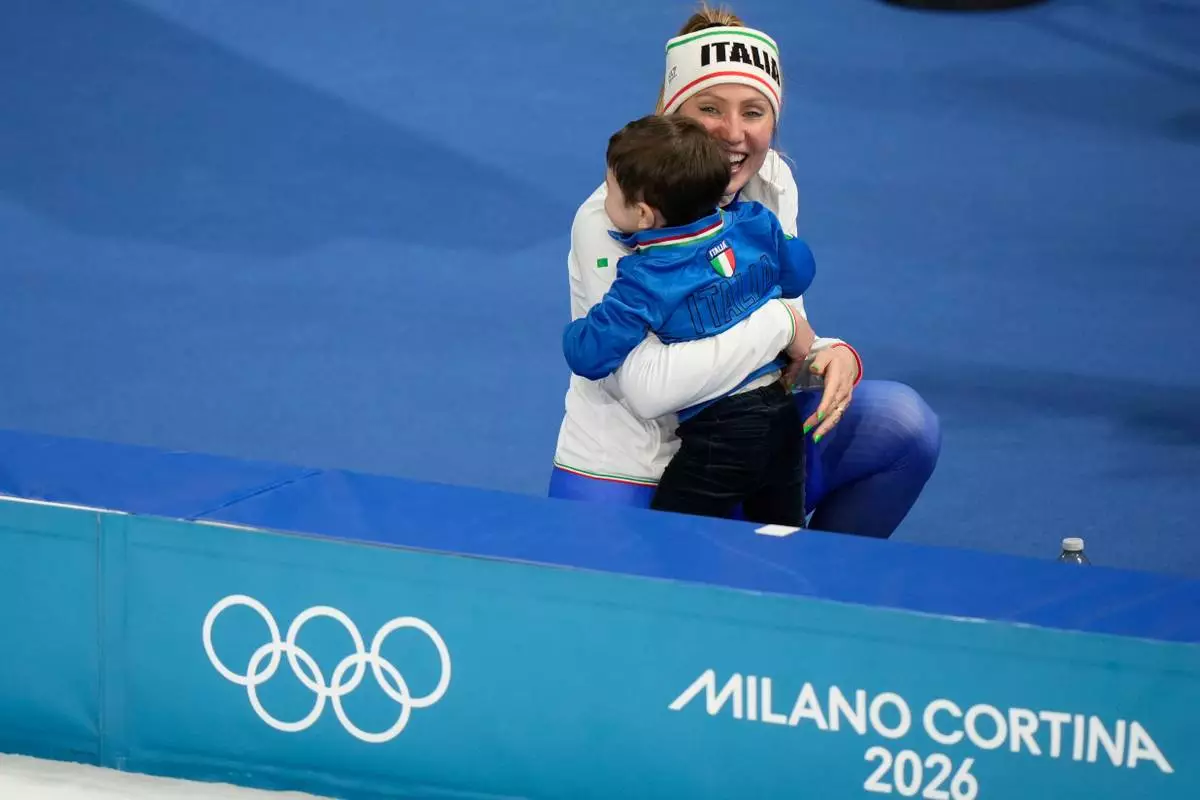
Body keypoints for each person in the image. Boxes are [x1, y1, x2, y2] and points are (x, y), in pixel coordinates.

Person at [548, 5, 941, 539]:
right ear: (671, 110)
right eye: (710, 108)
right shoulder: (612, 218)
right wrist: (782, 328)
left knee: (902, 425)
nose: (732, 135)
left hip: (752, 439)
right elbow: (647, 387)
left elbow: (776, 333)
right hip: (630, 465)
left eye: (753, 112)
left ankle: (824, 594)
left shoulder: (770, 181)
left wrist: (825, 352)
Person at [562, 113, 818, 525]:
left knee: (670, 543)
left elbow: (591, 354)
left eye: (610, 189)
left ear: (644, 214)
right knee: (783, 538)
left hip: (719, 438)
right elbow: (799, 272)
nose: (603, 202)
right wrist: (778, 244)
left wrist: (575, 332)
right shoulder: (755, 223)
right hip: (782, 420)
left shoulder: (645, 278)